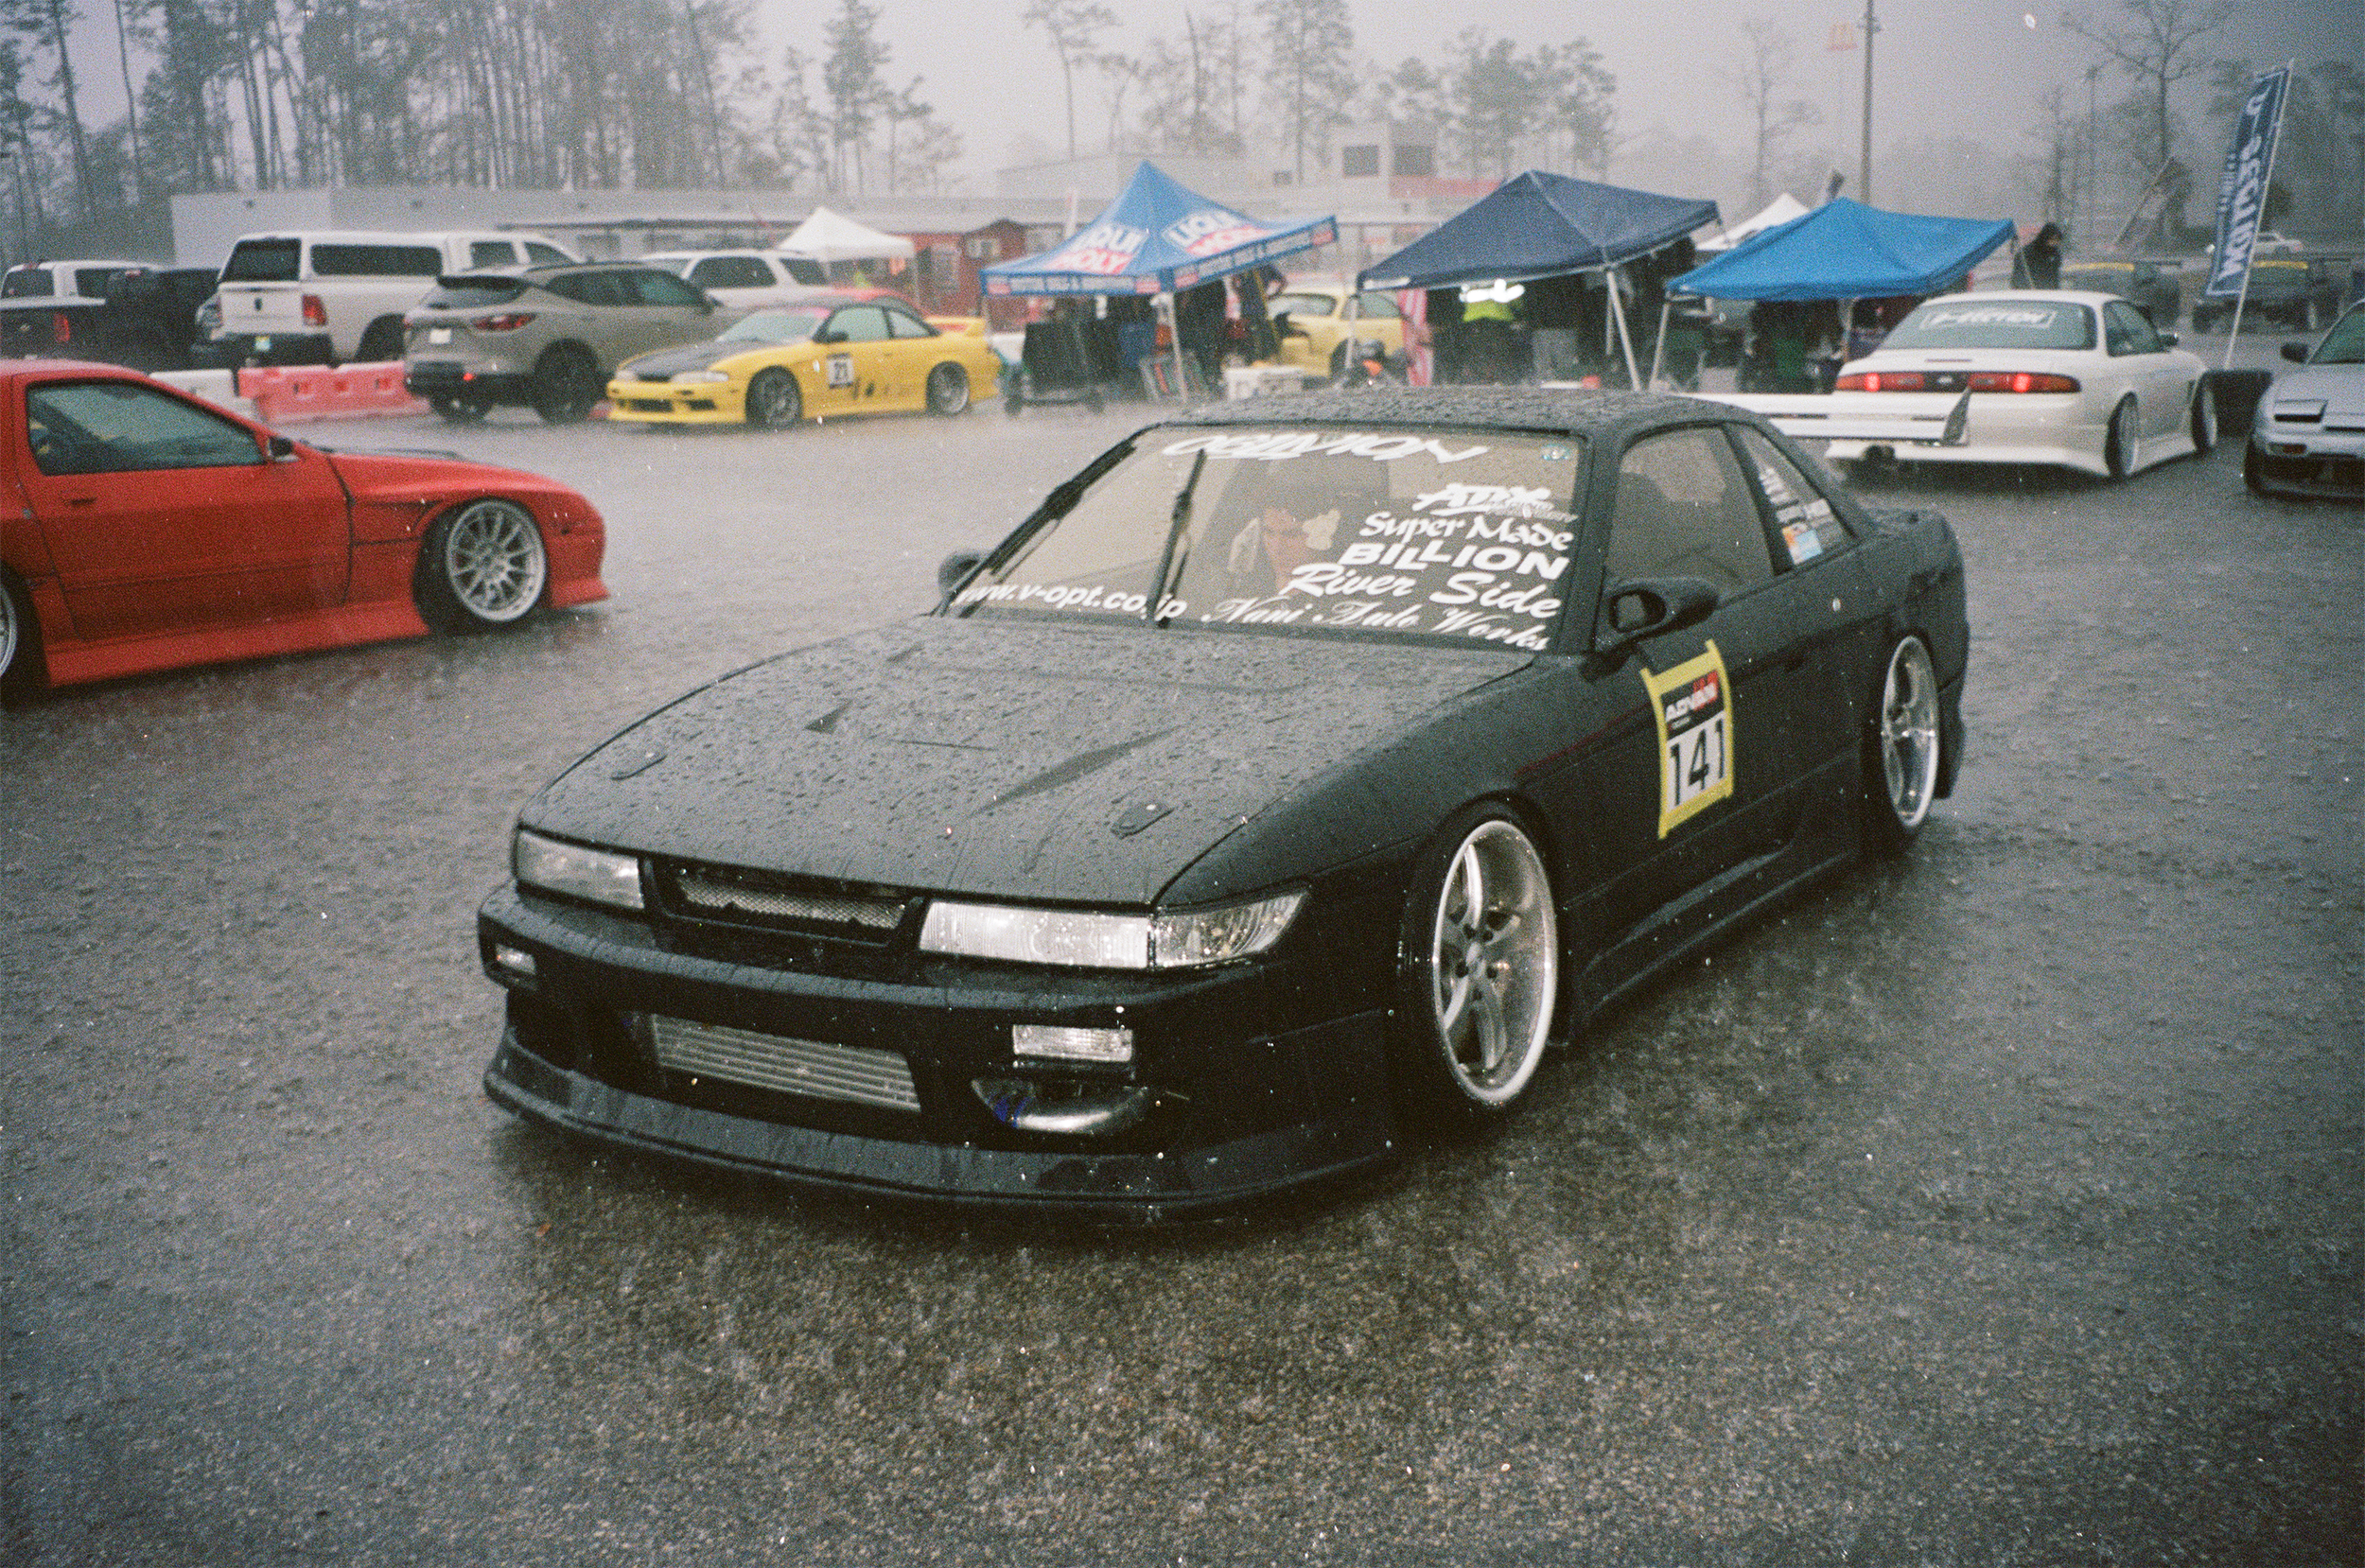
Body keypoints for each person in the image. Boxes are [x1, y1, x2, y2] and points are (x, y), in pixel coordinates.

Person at [2017, 223, 2063, 289]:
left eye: (2057, 240)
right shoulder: (2028, 252)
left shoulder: (2054, 253)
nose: (2055, 242)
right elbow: (2020, 275)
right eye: (2053, 239)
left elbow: (2054, 275)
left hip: (2050, 292)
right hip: (2030, 292)